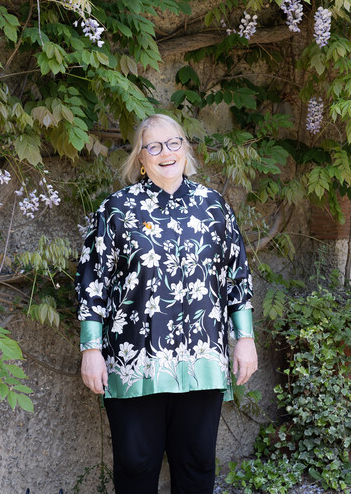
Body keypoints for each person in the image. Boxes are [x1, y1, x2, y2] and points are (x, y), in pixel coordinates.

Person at [76, 113, 258, 494]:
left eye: (173, 143)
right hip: (133, 361)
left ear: (185, 149)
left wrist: (245, 338)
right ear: (140, 158)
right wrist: (90, 348)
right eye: (153, 146)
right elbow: (92, 283)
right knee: (135, 464)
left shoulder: (215, 207)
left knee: (196, 463)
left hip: (202, 359)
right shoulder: (115, 211)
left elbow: (236, 276)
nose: (165, 153)